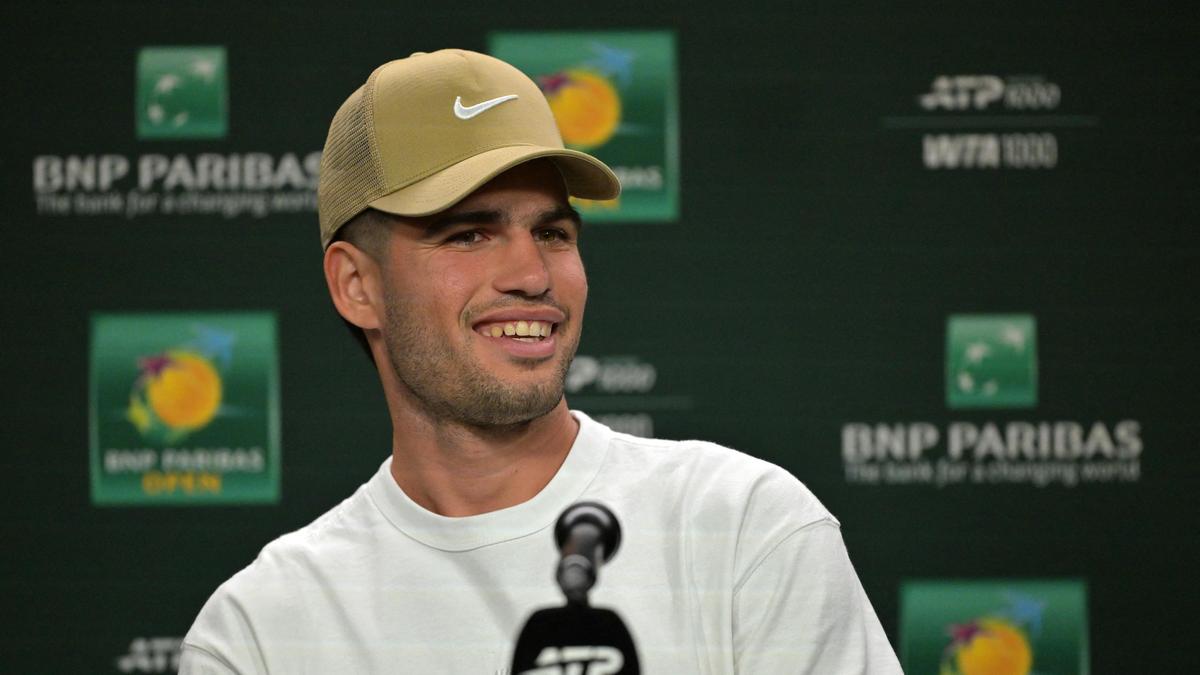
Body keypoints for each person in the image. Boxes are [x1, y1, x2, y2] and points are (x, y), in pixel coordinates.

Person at [180, 49, 902, 674]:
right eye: (469, 235)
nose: (532, 274)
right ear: (356, 286)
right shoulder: (261, 632)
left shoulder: (744, 529)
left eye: (553, 233)